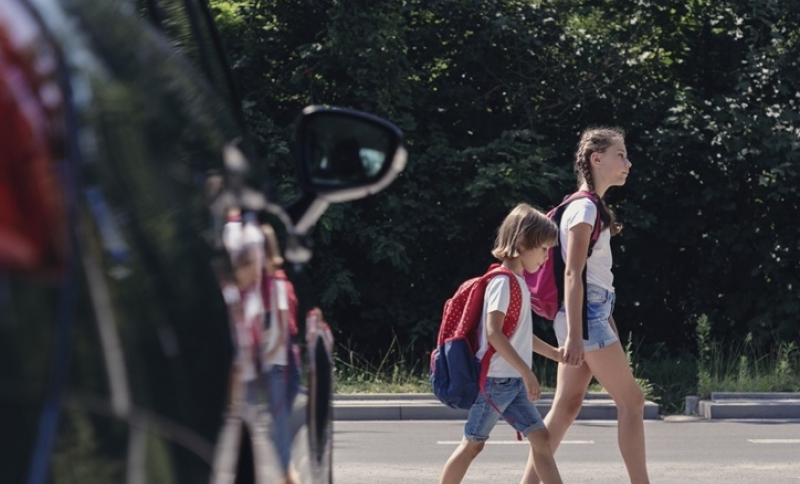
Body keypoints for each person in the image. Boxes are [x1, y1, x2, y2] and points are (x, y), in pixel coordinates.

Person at [522, 127, 650, 484]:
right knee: (632, 401)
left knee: (566, 406)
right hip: (585, 313)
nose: (627, 162)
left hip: (590, 312)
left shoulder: (588, 207)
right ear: (597, 159)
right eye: (620, 155)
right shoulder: (583, 209)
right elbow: (572, 274)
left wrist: (598, 322)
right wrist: (577, 335)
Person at [438, 203, 566, 484]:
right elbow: (494, 333)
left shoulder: (518, 282)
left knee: (541, 439)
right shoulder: (503, 282)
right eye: (543, 249)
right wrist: (526, 371)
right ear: (522, 243)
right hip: (496, 381)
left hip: (509, 381)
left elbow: (520, 336)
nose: (546, 258)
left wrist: (555, 354)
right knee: (472, 444)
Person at [259, 223, 301, 484]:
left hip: (275, 368)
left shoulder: (274, 285)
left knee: (280, 441)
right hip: (273, 367)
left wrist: (264, 356)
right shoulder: (269, 284)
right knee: (276, 439)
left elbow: (282, 329)